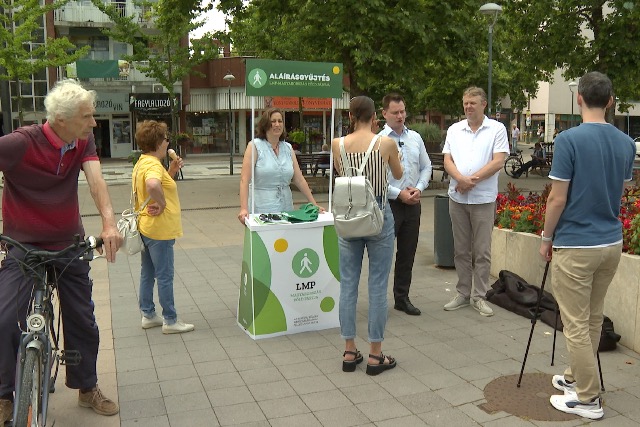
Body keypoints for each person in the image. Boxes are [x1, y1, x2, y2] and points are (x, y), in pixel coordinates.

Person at [0, 79, 122, 423]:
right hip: (23, 244)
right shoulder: (20, 144)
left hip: (68, 241)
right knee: (4, 318)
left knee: (82, 317)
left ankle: (87, 387)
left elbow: (96, 182)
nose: (94, 123)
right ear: (61, 120)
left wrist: (109, 224)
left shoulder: (82, 139)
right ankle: (3, 396)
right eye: (87, 117)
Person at [539, 71, 635, 420]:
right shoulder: (626, 143)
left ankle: (588, 398)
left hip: (576, 244)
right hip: (610, 242)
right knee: (592, 318)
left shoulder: (568, 140)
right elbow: (622, 191)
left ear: (578, 98)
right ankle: (576, 377)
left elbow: (556, 199)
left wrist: (546, 238)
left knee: (576, 323)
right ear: (610, 101)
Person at [332, 96, 403, 375]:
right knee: (377, 285)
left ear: (350, 116)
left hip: (349, 216)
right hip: (378, 216)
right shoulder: (386, 143)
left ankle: (349, 350)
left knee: (348, 284)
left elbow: (342, 174)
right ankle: (375, 355)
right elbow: (397, 174)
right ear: (375, 116)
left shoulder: (337, 145)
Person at [442, 86, 509, 317]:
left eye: (473, 103)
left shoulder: (497, 129)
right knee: (461, 250)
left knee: (482, 251)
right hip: (458, 198)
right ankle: (462, 293)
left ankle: (479, 296)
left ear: (484, 105)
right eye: (465, 103)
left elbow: (498, 161)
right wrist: (460, 179)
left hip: (482, 199)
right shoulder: (454, 129)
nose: (468, 107)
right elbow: (447, 159)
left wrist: (470, 180)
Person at [134, 120, 194, 334]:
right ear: (159, 142)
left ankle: (148, 314)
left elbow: (160, 183)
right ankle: (170, 320)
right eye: (166, 138)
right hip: (160, 229)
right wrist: (162, 204)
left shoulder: (144, 162)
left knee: (147, 272)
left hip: (147, 228)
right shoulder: (151, 165)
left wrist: (172, 169)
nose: (168, 141)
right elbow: (152, 185)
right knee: (165, 275)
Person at [379, 93, 432, 316]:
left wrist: (418, 188)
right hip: (389, 203)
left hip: (413, 202)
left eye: (402, 111)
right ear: (384, 114)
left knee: (407, 253)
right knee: (382, 254)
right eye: (395, 112)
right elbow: (376, 178)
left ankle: (402, 298)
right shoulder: (379, 140)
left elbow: (426, 167)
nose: (400, 116)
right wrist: (398, 193)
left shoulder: (415, 138)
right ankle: (378, 299)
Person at [237, 108, 323, 225]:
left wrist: (314, 204)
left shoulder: (287, 148)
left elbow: (299, 179)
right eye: (273, 121)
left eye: (280, 121)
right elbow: (244, 180)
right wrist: (244, 208)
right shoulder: (254, 146)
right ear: (266, 124)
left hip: (285, 205)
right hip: (262, 206)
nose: (277, 124)